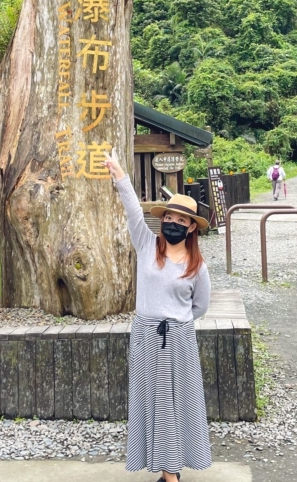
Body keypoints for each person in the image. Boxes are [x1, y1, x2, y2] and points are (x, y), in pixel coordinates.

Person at [105, 148, 212, 482]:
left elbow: (200, 307)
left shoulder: (198, 266)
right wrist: (120, 174)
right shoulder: (147, 245)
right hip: (145, 335)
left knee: (178, 405)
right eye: (169, 218)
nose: (174, 224)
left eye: (182, 221)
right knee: (149, 402)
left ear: (192, 228)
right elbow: (133, 211)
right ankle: (166, 469)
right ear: (162, 220)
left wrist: (175, 322)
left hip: (178, 339)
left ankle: (171, 473)